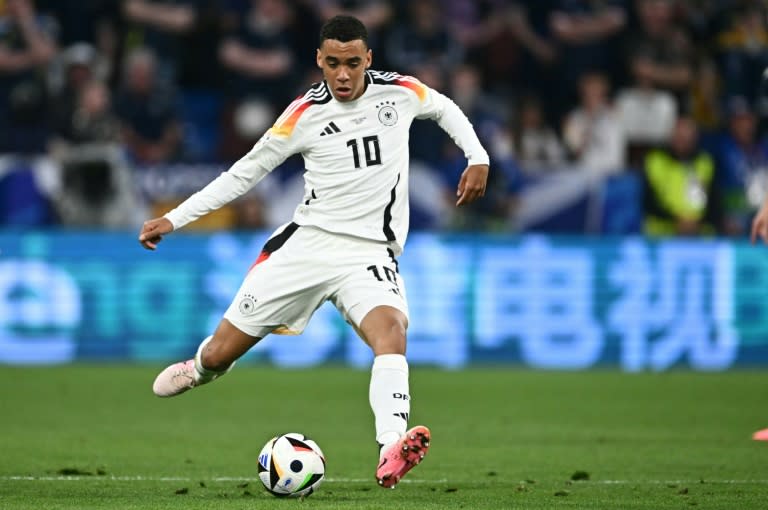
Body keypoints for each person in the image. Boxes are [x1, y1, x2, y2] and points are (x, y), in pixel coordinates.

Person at [138, 15, 489, 488]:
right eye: (332, 64)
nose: (342, 75)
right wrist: (174, 218)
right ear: (318, 62)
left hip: (369, 253)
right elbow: (244, 173)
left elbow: (445, 107)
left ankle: (392, 446)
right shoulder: (303, 115)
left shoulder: (400, 93)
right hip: (306, 247)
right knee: (221, 354)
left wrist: (478, 156)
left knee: (391, 332)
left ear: (368, 59)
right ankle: (198, 368)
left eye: (351, 63)